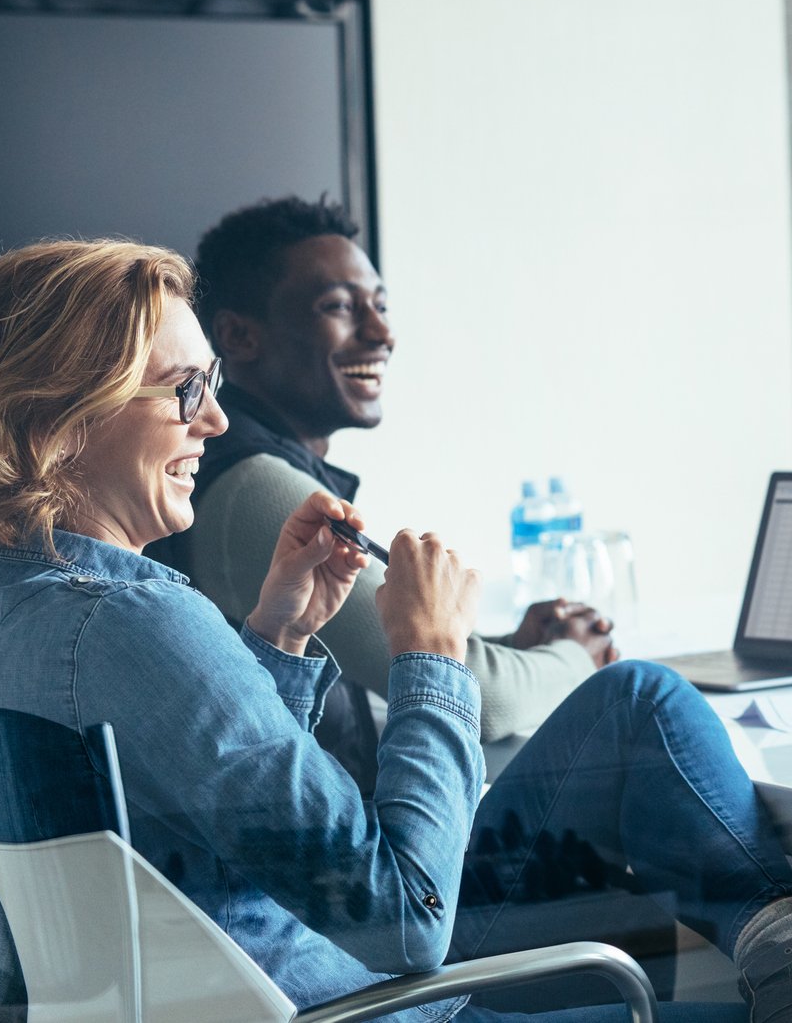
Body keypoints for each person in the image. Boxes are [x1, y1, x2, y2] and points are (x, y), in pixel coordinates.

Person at [0, 239, 792, 1023]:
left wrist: (281, 637)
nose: (217, 418)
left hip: (254, 964)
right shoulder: (136, 619)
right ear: (59, 413)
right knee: (646, 744)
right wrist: (437, 653)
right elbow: (405, 924)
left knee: (635, 703)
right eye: (181, 389)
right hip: (363, 990)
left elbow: (194, 830)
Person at [148, 197, 609, 790]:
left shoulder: (262, 470)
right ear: (239, 335)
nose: (382, 333)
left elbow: (408, 650)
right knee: (643, 695)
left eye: (381, 306)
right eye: (339, 307)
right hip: (352, 866)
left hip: (340, 840)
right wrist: (578, 656)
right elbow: (480, 699)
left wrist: (509, 644)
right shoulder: (252, 488)